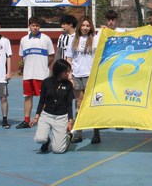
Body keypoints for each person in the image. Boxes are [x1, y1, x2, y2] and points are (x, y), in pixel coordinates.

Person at [66, 15, 101, 144]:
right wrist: (69, 75)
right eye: (83, 25)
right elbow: (69, 59)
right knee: (79, 105)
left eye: (88, 25)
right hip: (77, 76)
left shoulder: (95, 39)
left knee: (93, 104)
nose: (85, 28)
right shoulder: (73, 40)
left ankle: (96, 133)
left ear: (90, 27)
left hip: (91, 76)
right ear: (79, 26)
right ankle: (78, 133)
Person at [16, 17, 55, 129]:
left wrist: (43, 66)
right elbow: (22, 57)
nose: (35, 27)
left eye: (37, 25)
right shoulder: (23, 40)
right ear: (29, 26)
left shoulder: (46, 39)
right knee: (27, 97)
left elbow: (51, 56)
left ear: (39, 26)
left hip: (41, 75)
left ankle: (43, 120)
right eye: (33, 25)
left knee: (44, 98)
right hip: (28, 74)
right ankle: (26, 120)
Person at [30, 59, 76, 154]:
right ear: (59, 71)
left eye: (69, 71)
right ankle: (47, 141)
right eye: (66, 71)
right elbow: (41, 101)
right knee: (40, 139)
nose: (68, 74)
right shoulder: (46, 82)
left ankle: (68, 138)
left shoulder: (68, 85)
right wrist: (37, 116)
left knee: (58, 150)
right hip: (47, 115)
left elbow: (69, 104)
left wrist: (70, 121)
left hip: (61, 117)